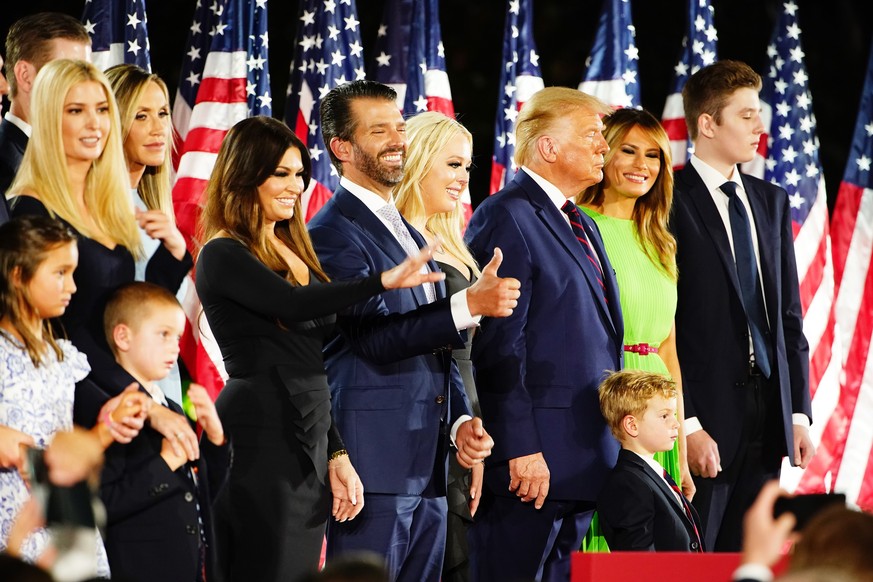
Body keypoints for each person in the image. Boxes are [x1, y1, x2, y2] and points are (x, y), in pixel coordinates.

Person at [196, 115, 447, 582]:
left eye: (299, 175)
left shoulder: (295, 247)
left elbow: (314, 361)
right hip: (259, 432)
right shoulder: (222, 252)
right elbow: (289, 304)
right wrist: (382, 280)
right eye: (280, 174)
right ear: (245, 175)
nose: (295, 187)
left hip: (307, 433)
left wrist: (336, 454)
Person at [309, 79, 516, 582]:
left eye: (399, 127)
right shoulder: (331, 232)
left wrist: (463, 421)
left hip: (428, 463)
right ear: (342, 148)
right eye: (379, 130)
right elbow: (374, 338)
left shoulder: (409, 231)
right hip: (372, 465)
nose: (397, 139)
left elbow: (437, 349)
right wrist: (466, 305)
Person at [464, 86, 623, 582]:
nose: (605, 147)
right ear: (549, 147)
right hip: (533, 463)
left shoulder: (580, 221)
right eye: (593, 135)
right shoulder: (507, 213)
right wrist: (520, 447)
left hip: (580, 452)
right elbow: (497, 345)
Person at [7, 59, 195, 445]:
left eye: (103, 109)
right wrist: (142, 403)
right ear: (47, 119)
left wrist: (174, 255)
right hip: (82, 406)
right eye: (76, 110)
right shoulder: (32, 209)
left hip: (126, 393)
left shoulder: (111, 203)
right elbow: (64, 332)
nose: (95, 124)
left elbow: (123, 307)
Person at [671, 60, 815, 552]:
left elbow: (789, 317)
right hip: (702, 422)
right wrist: (686, 424)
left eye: (760, 113)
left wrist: (798, 413)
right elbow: (665, 322)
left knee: (749, 556)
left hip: (768, 417)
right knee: (696, 558)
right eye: (747, 114)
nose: (760, 126)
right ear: (708, 124)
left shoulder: (770, 200)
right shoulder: (667, 198)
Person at [0, 215, 149, 576]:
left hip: (66, 517)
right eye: (60, 273)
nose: (73, 286)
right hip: (14, 522)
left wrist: (108, 424)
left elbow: (68, 451)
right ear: (18, 275)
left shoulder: (63, 356)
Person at [577, 107, 692, 551]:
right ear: (603, 153)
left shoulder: (661, 239)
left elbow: (669, 348)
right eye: (628, 151)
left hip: (656, 409)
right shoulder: (580, 226)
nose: (642, 165)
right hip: (606, 398)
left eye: (653, 155)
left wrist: (677, 443)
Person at [395, 111, 482, 582]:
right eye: (452, 165)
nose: (462, 178)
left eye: (467, 167)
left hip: (463, 418)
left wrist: (472, 422)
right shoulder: (396, 246)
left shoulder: (453, 243)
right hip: (416, 422)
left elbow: (464, 357)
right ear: (420, 161)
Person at [100, 282, 226, 582]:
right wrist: (166, 461)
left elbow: (204, 492)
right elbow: (106, 503)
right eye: (163, 335)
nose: (174, 347)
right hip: (139, 568)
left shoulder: (169, 406)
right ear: (123, 336)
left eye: (178, 337)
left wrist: (216, 440)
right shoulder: (111, 411)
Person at [105, 63, 188, 405]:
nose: (158, 128)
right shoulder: (102, 206)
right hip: (122, 395)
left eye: (163, 113)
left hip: (161, 387)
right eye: (141, 116)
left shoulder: (144, 203)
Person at [596, 370, 704, 552]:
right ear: (632, 425)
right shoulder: (628, 483)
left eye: (675, 415)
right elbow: (638, 559)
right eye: (664, 416)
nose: (676, 424)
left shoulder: (652, 475)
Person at [0, 12, 91, 206]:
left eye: (85, 72)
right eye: (67, 71)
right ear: (25, 75)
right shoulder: (7, 167)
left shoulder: (63, 158)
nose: (84, 86)